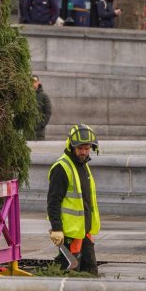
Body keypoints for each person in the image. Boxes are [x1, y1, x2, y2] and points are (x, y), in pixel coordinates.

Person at [48, 123, 101, 275]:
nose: (84, 152)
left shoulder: (83, 164)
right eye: (80, 149)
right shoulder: (62, 168)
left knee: (90, 272)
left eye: (87, 148)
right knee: (70, 275)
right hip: (70, 235)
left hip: (84, 232)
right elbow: (53, 201)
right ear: (71, 146)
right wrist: (57, 229)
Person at [33, 76, 52, 140]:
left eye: (35, 82)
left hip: (39, 133)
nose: (33, 83)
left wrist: (41, 125)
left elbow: (48, 113)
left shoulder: (44, 96)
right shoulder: (26, 96)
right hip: (27, 133)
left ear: (38, 82)